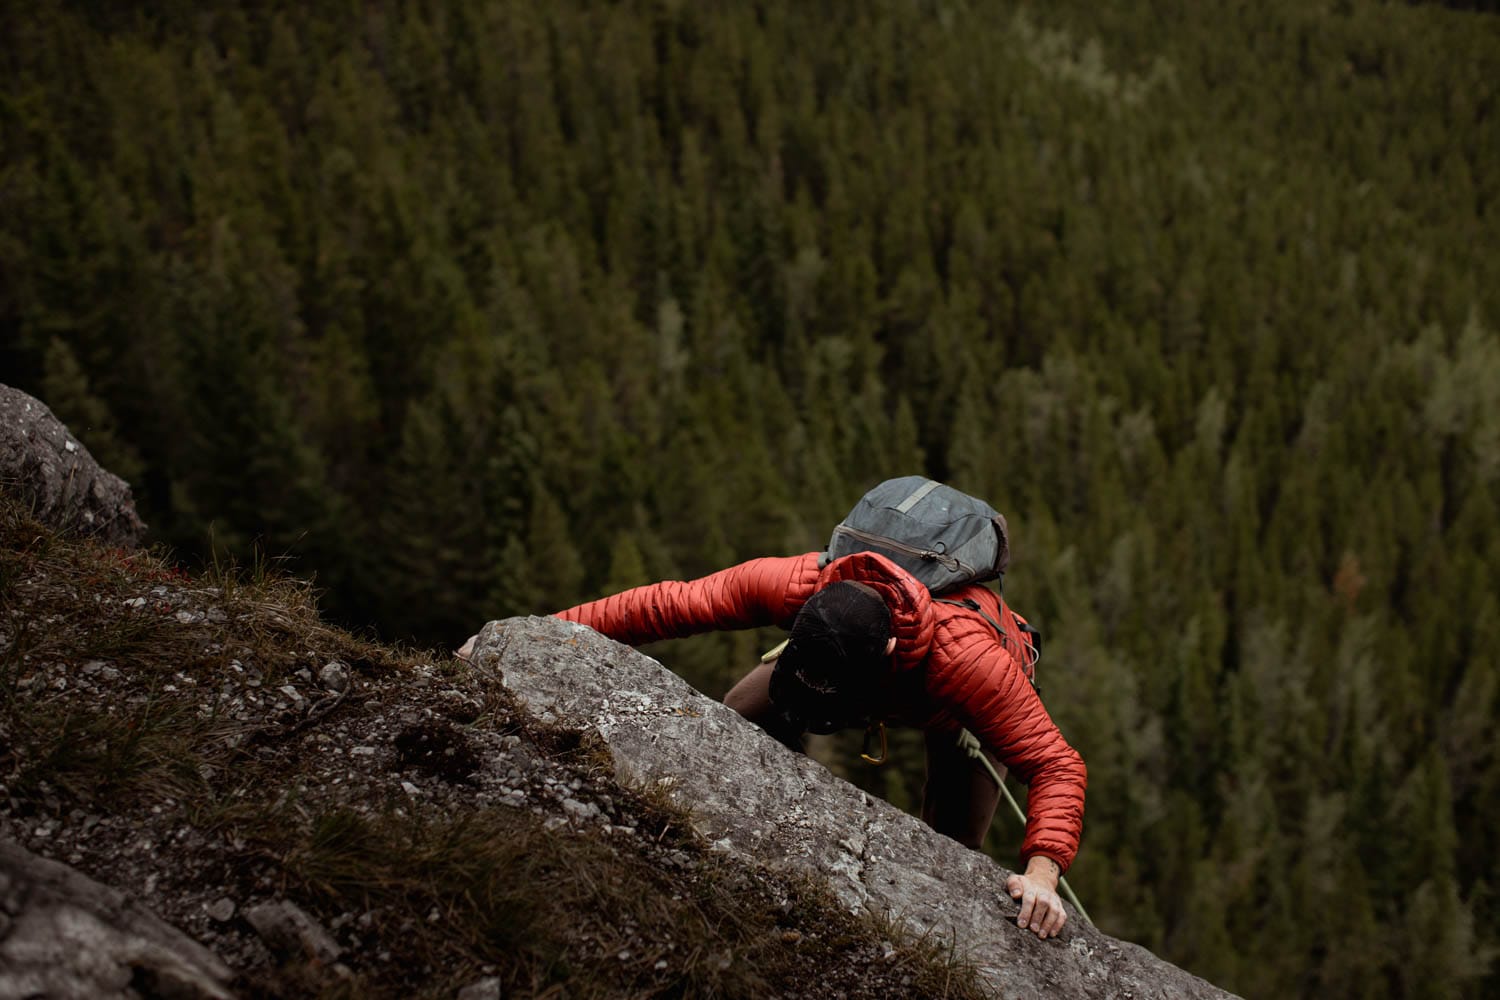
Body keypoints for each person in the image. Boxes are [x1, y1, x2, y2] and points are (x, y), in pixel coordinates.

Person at [458, 546, 1085, 940]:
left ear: (889, 653)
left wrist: (1041, 874)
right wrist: (532, 635)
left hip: (955, 713)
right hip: (843, 657)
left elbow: (1057, 765)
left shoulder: (970, 665)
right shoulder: (800, 584)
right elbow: (667, 605)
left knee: (957, 844)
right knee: (742, 715)